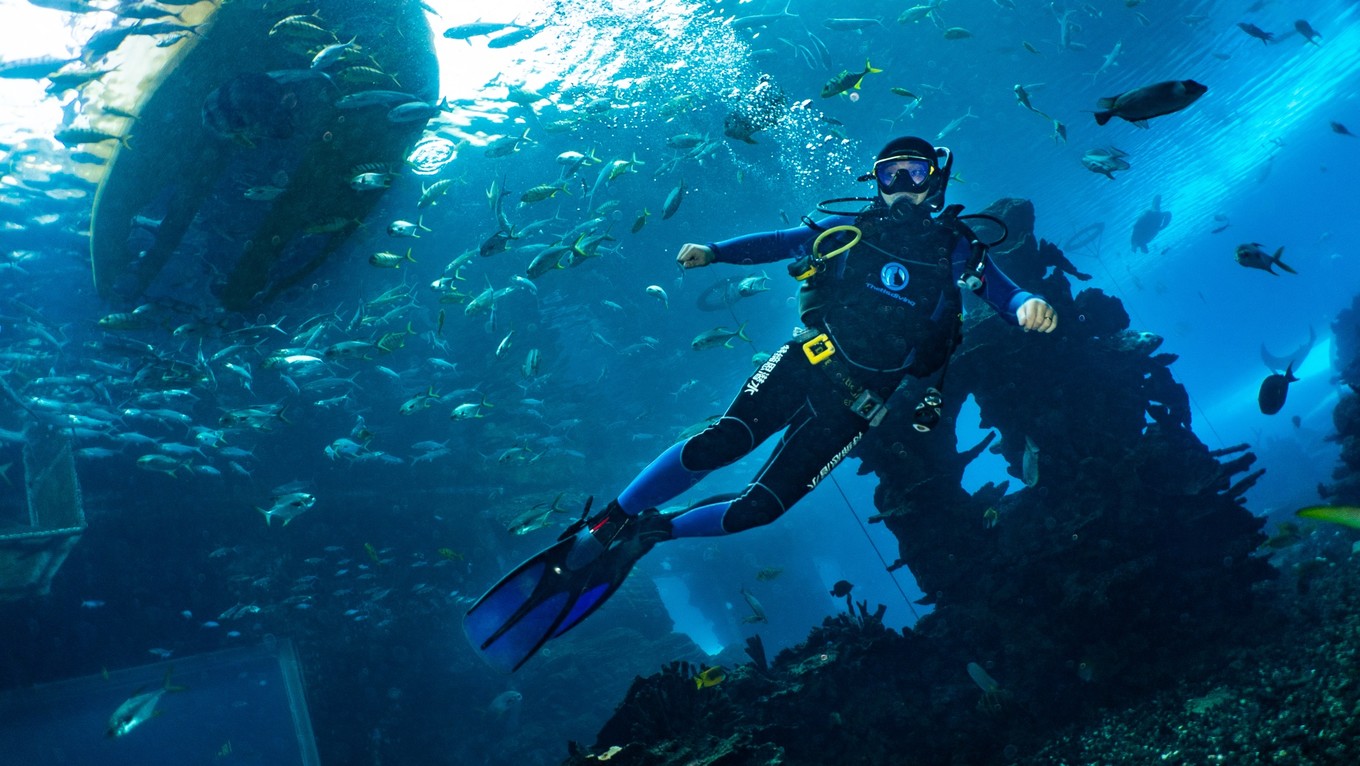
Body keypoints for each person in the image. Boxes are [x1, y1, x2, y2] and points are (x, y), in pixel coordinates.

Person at [464, 136, 1058, 672]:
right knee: (722, 442)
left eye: (915, 173)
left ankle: (652, 534)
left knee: (761, 509)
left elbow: (1002, 289)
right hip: (810, 362)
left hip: (861, 403)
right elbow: (781, 242)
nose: (902, 187)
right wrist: (716, 252)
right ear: (874, 181)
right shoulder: (851, 231)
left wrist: (1028, 302)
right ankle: (610, 520)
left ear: (938, 179)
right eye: (890, 174)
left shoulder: (956, 249)